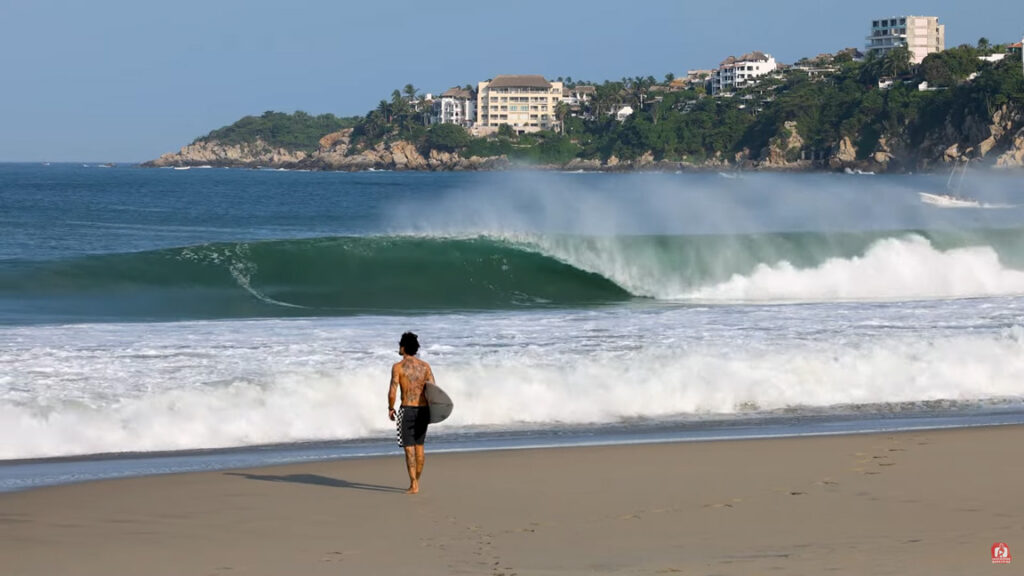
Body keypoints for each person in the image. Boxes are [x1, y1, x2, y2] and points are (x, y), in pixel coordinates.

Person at [388, 332, 435, 494]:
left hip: (406, 410)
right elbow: (433, 390)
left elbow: (393, 390)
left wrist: (390, 407)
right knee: (420, 448)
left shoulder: (398, 367)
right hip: (423, 410)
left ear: (403, 347)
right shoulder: (425, 366)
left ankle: (413, 484)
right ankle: (417, 481)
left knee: (409, 449)